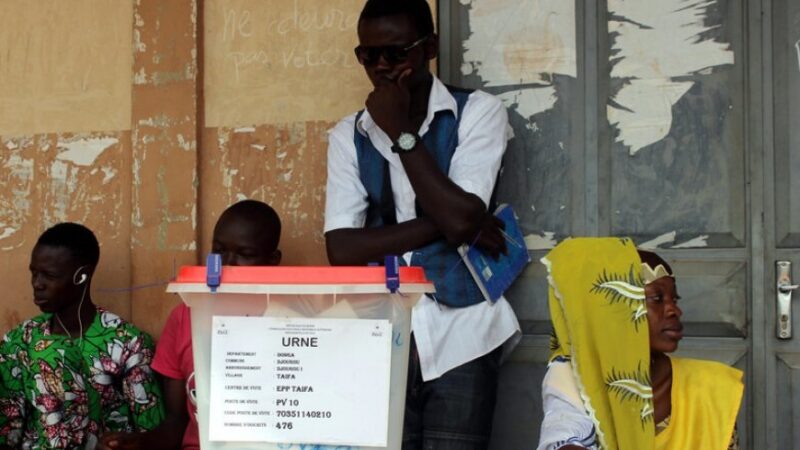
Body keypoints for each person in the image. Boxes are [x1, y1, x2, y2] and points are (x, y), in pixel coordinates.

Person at [323, 1, 520, 448]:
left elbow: (462, 215)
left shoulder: (478, 112)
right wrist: (455, 222)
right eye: (367, 55)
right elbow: (341, 251)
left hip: (463, 333)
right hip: (377, 335)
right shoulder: (347, 136)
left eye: (395, 54)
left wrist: (401, 133)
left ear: (429, 47)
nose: (380, 68)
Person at [98, 199, 282, 450]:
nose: (227, 264)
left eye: (245, 255)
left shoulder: (293, 317)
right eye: (218, 251)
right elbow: (177, 422)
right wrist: (140, 443)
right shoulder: (187, 317)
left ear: (273, 261)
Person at [537, 238, 743, 450]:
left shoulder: (710, 388)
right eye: (657, 299)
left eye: (675, 299)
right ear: (613, 308)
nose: (674, 310)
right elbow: (564, 434)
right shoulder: (575, 377)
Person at [0, 222, 164, 449]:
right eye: (34, 273)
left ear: (81, 276)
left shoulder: (128, 343)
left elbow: (151, 430)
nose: (37, 284)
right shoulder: (20, 340)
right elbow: (9, 426)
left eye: (49, 275)